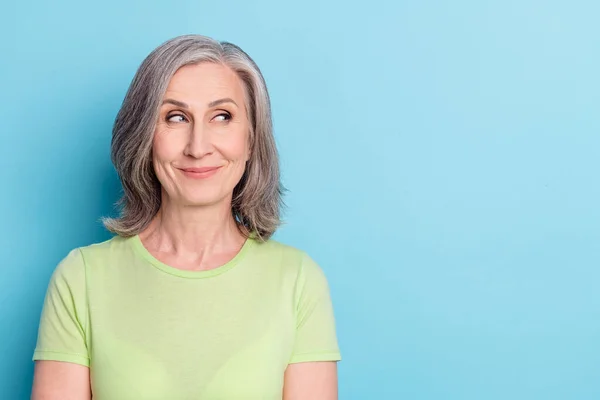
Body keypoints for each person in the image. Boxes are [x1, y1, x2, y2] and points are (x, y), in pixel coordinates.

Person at [31, 34, 341, 400]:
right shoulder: (80, 279)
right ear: (145, 136)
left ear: (251, 139)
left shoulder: (298, 282)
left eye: (222, 116)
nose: (198, 146)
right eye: (176, 117)